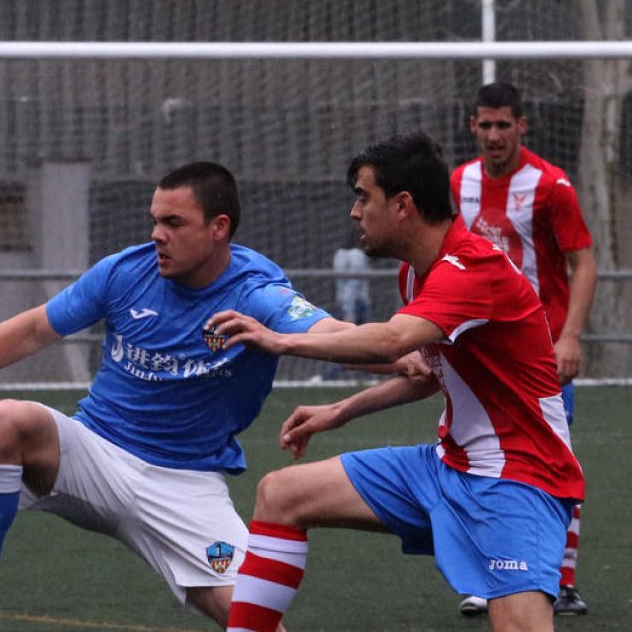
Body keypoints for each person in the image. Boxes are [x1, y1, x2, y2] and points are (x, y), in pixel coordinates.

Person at [0, 161, 352, 632]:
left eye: (174, 223)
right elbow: (31, 331)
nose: (158, 234)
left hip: (185, 486)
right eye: (155, 220)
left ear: (219, 227)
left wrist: (401, 347)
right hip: (93, 455)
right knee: (6, 419)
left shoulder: (256, 292)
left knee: (257, 622)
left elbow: (333, 334)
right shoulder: (123, 272)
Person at [207, 132, 584, 632]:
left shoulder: (473, 268)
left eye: (363, 197)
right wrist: (340, 411)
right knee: (281, 493)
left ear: (403, 205)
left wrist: (278, 339)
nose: (354, 212)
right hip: (446, 470)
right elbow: (428, 373)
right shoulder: (414, 273)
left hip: (519, 481)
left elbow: (390, 342)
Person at [451, 81, 597, 617]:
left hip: (541, 352)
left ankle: (560, 580)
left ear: (521, 126)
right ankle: (487, 576)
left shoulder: (552, 186)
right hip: (479, 351)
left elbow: (584, 262)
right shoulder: (457, 182)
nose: (493, 135)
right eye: (484, 125)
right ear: (472, 126)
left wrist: (571, 336)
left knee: (550, 458)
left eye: (503, 125)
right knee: (472, 456)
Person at [319, 230, 372, 380]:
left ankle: (360, 375)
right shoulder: (358, 256)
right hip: (356, 303)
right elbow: (352, 284)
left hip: (341, 301)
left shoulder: (339, 254)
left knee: (343, 341)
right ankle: (332, 374)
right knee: (360, 342)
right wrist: (350, 311)